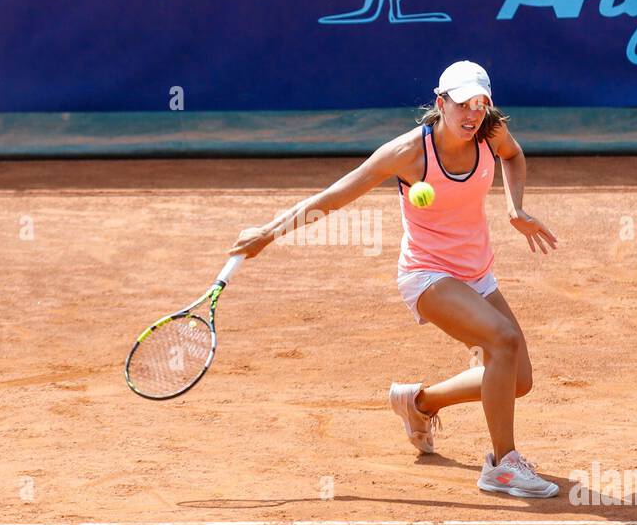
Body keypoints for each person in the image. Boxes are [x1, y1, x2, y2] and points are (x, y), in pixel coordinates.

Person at [229, 61, 561, 497]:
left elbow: (513, 156)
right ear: (441, 103)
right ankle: (502, 466)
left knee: (517, 380)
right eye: (462, 104)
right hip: (427, 275)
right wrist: (268, 233)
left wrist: (515, 208)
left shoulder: (490, 133)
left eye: (480, 105)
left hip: (476, 272)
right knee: (503, 340)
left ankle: (418, 403)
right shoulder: (409, 153)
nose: (472, 114)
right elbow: (335, 194)